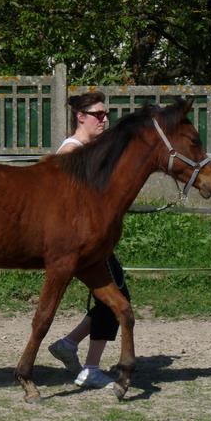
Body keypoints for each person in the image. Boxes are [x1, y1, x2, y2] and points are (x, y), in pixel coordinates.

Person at [48, 91, 133, 390]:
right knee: (116, 300)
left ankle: (69, 344)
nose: (105, 118)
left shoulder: (91, 150)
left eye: (105, 113)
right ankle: (90, 367)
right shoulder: (71, 152)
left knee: (115, 298)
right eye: (98, 114)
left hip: (93, 241)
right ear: (80, 117)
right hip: (80, 243)